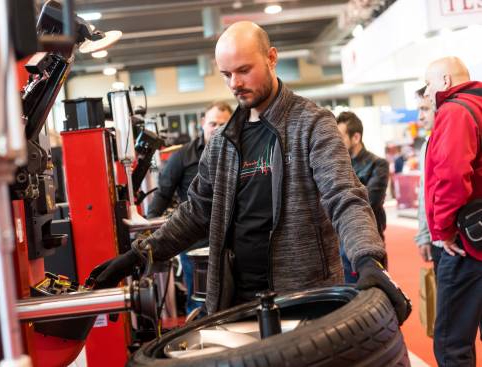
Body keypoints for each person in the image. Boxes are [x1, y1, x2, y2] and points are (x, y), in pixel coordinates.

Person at [89, 21, 411, 325]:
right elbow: (196, 213)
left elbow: (344, 195)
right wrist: (136, 256)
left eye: (244, 70)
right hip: (236, 302)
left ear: (272, 58)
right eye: (226, 74)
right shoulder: (224, 141)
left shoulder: (312, 124)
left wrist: (368, 259)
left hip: (305, 299)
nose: (235, 84)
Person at [423, 56, 482, 366]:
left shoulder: (454, 111)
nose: (427, 93)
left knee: (452, 342)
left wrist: (443, 230)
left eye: (429, 84)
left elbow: (452, 176)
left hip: (467, 244)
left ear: (445, 81)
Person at [147, 101, 233, 313]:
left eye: (223, 124)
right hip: (196, 246)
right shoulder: (182, 157)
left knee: (232, 301)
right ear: (203, 123)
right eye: (213, 123)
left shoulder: (238, 153)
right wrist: (149, 234)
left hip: (232, 243)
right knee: (198, 302)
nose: (217, 129)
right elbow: (162, 195)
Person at [336, 111, 389, 282]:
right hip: (339, 244)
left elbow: (369, 203)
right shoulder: (335, 167)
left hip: (369, 242)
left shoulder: (378, 164)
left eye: (341, 137)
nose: (336, 143)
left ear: (356, 137)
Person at [413, 87, 443, 273]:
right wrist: (424, 235)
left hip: (454, 239)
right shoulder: (427, 145)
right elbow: (425, 195)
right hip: (438, 239)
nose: (420, 117)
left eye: (425, 109)